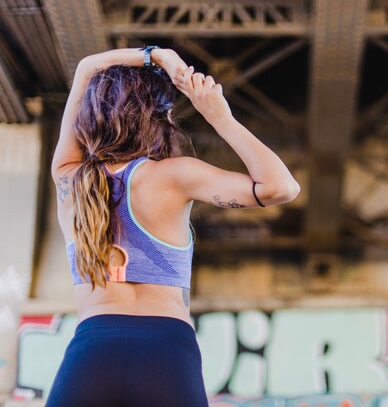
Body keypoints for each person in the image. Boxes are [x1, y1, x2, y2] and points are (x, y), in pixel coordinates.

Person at [46, 47, 300, 407]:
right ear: (157, 118)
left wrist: (156, 55)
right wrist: (219, 117)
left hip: (93, 349)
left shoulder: (69, 179)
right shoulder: (175, 175)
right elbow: (281, 188)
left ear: (89, 117)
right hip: (166, 349)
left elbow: (88, 66)